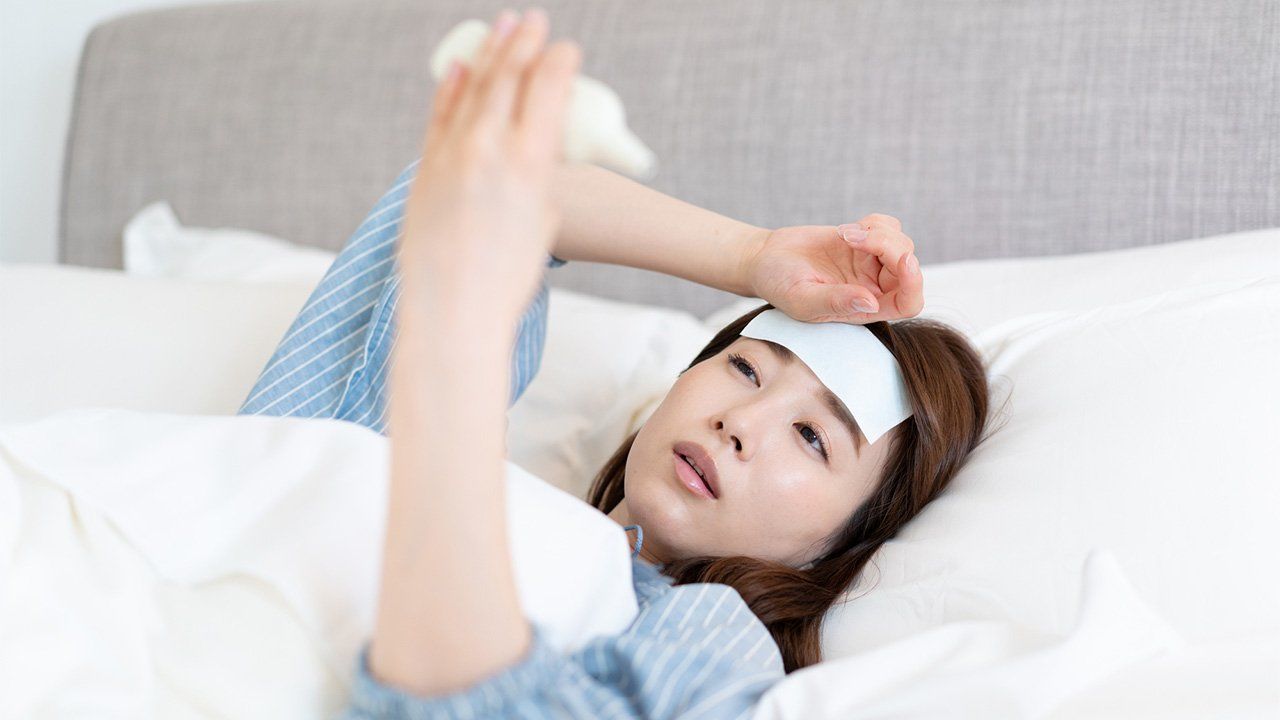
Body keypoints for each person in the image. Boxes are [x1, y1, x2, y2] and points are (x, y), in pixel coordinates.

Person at [238, 7, 991, 718]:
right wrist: (751, 255)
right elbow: (483, 211)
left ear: (845, 543)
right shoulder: (435, 478)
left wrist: (456, 353)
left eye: (812, 437)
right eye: (746, 369)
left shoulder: (713, 638)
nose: (739, 421)